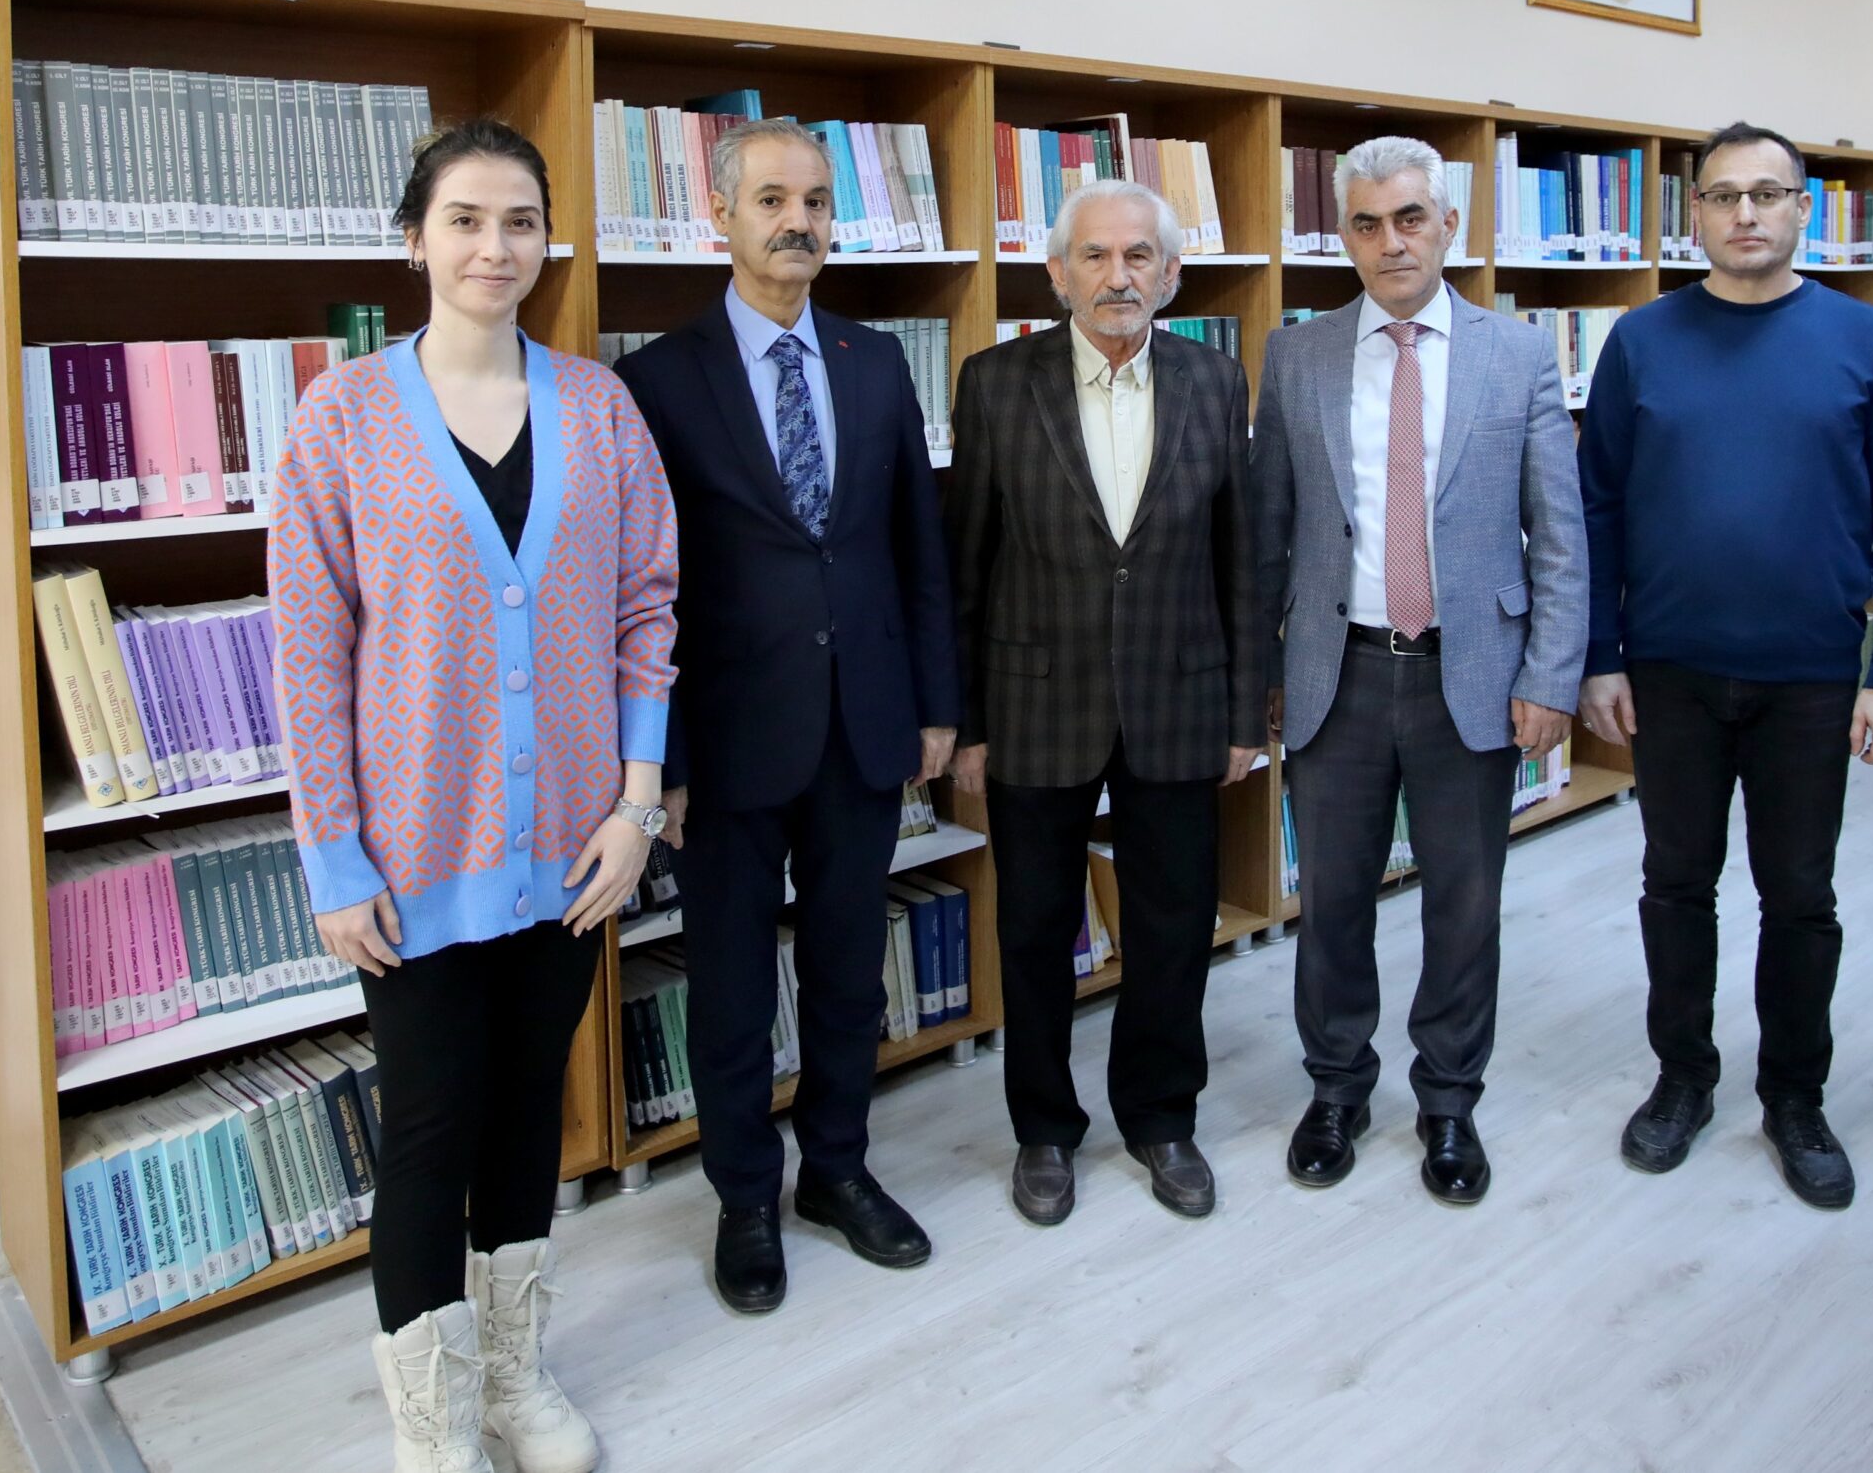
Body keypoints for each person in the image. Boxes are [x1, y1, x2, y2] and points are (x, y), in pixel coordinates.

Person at [271, 119, 678, 1473]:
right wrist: (334, 858)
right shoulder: (341, 418)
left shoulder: (599, 408)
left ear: (546, 240)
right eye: (464, 219)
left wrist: (635, 804)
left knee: (526, 1110)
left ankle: (513, 1373)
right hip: (413, 859)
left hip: (572, 849)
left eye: (519, 221)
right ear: (414, 240)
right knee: (430, 1125)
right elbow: (308, 652)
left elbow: (646, 608)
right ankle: (433, 1417)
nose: (494, 247)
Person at [614, 119, 957, 1312]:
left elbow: (916, 543)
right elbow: (642, 590)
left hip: (863, 723)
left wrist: (935, 705)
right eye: (771, 199)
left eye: (814, 201)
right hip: (725, 742)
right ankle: (745, 1199)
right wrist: (661, 762)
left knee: (850, 973)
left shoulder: (873, 361)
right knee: (729, 988)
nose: (797, 221)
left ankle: (838, 1172)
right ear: (720, 215)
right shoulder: (656, 380)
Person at [1575, 121, 1873, 1210]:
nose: (1745, 214)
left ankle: (1794, 1098)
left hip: (1811, 675)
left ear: (1802, 211)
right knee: (1675, 885)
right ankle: (1683, 1078)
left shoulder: (1866, 341)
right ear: (1692, 213)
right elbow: (1595, 506)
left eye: (1767, 194)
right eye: (1723, 195)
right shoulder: (1642, 340)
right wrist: (1600, 655)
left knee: (1800, 895)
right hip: (1671, 670)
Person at [1252, 135, 1587, 1206]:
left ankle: (1448, 1099)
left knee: (1465, 904)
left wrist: (1551, 676)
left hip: (1472, 673)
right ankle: (1336, 1088)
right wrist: (1261, 670)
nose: (1390, 241)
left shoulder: (1516, 355)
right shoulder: (1296, 355)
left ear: (1447, 225)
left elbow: (1559, 533)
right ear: (1343, 237)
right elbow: (1268, 533)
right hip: (1336, 672)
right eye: (1366, 223)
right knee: (1331, 901)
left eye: (1409, 218)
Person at [945, 178, 1263, 1225]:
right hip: (1034, 705)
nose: (1117, 275)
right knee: (1035, 928)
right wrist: (969, 723)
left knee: (1173, 923)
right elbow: (966, 566)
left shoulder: (1216, 379)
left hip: (1179, 700)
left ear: (1171, 274)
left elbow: (1239, 560)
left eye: (1138, 256)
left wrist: (1242, 715)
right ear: (1058, 273)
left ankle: (1162, 1116)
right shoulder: (996, 383)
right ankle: (1044, 1128)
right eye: (1095, 255)